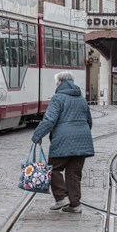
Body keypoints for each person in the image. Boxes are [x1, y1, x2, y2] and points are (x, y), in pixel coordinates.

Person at [31, 71, 94, 214]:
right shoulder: (81, 99)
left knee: (53, 168)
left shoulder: (57, 98)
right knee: (74, 173)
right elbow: (89, 121)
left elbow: (49, 120)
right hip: (82, 140)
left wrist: (37, 135)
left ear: (59, 82)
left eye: (56, 82)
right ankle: (75, 205)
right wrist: (82, 135)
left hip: (63, 140)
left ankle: (61, 198)